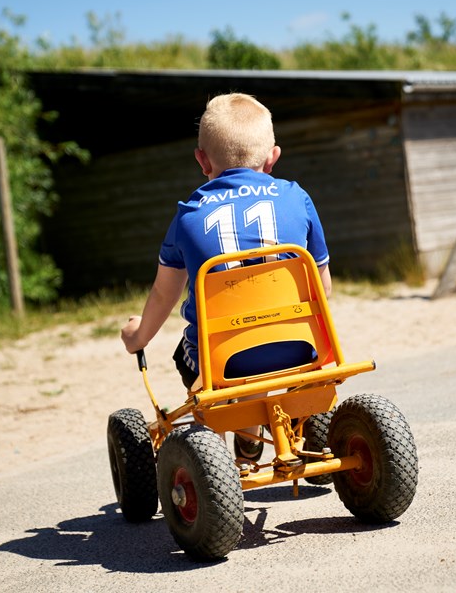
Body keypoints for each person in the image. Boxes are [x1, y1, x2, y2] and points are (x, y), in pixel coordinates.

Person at [120, 92, 331, 462]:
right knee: (272, 336)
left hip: (224, 362)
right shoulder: (296, 197)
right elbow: (322, 288)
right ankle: (281, 421)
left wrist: (137, 336)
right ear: (272, 157)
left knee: (193, 350)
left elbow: (162, 294)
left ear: (202, 160)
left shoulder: (187, 216)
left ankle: (243, 433)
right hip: (302, 347)